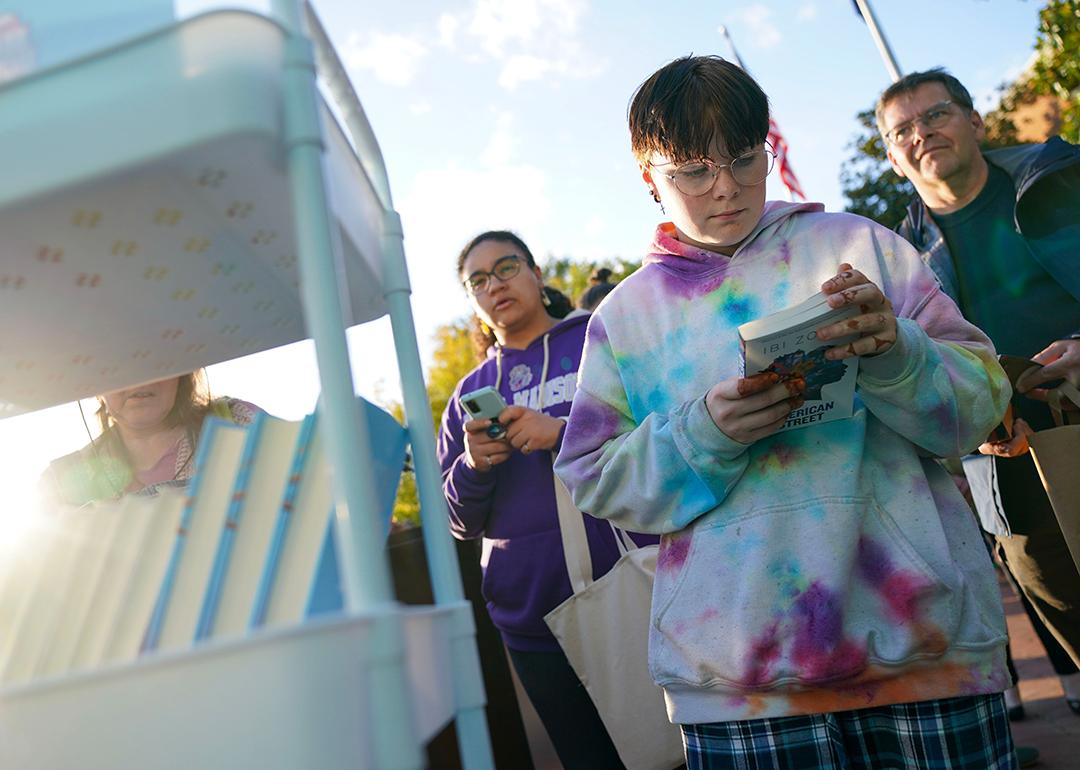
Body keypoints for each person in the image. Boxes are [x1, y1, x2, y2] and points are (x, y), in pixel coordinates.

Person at [554, 56, 1017, 768]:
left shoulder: (861, 246)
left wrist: (898, 353)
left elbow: (981, 405)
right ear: (649, 179)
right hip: (738, 680)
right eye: (693, 171)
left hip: (926, 647)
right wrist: (701, 433)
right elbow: (595, 480)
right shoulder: (624, 318)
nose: (726, 188)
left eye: (745, 160)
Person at [878, 70, 1080, 682]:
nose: (922, 133)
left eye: (935, 115)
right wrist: (959, 420)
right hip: (1007, 470)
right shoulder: (893, 262)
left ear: (975, 122)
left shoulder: (1060, 179)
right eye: (903, 130)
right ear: (892, 158)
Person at [437, 230, 654, 770]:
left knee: (676, 750)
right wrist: (475, 464)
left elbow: (661, 432)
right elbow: (457, 522)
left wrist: (561, 431)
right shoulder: (468, 395)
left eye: (506, 267)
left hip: (635, 591)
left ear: (536, 272)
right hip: (534, 622)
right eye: (478, 281)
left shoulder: (598, 336)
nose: (495, 285)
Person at [43, 371, 258, 505]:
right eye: (117, 364)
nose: (139, 380)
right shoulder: (60, 483)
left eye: (156, 361)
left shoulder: (241, 423)